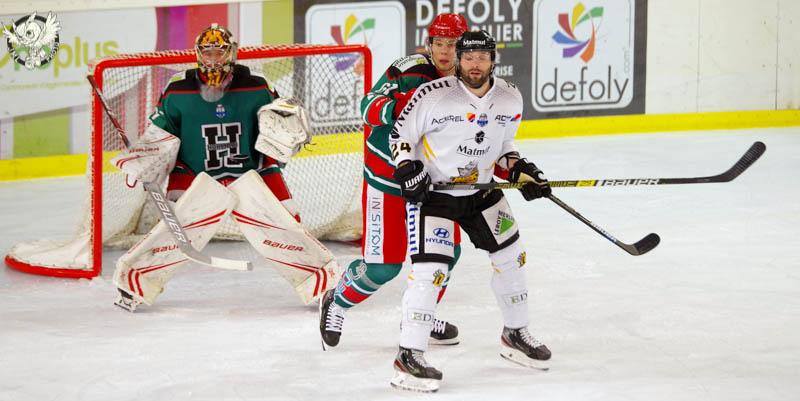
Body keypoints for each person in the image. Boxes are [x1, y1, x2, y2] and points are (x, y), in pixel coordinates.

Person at [110, 23, 337, 312]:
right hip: (194, 172)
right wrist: (143, 161)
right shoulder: (178, 89)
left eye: (219, 52)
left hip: (252, 169)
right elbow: (160, 134)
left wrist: (287, 135)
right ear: (198, 54)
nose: (213, 59)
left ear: (232, 53)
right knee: (172, 226)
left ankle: (321, 284)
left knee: (288, 220)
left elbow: (278, 126)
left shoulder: (256, 85)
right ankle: (134, 284)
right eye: (208, 53)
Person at [387, 30, 553, 393]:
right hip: (436, 196)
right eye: (468, 58)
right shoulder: (433, 95)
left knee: (512, 257)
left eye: (482, 58)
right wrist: (407, 168)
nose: (475, 65)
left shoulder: (509, 96)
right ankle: (409, 355)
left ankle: (515, 334)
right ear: (459, 60)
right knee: (430, 272)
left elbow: (504, 147)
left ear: (493, 60)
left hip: (482, 191)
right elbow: (399, 137)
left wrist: (521, 170)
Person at [318, 13, 469, 349]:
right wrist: (401, 107)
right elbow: (368, 106)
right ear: (429, 44)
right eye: (439, 43)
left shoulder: (468, 82)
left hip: (431, 185)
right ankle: (336, 302)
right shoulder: (409, 69)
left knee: (446, 253)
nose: (445, 51)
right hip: (387, 181)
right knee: (383, 267)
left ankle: (419, 315)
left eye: (453, 44)